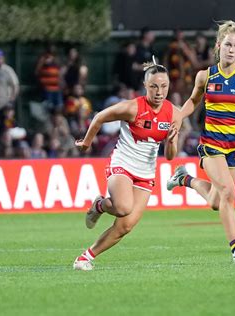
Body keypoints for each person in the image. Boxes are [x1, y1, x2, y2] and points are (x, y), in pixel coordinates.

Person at [166, 20, 235, 263]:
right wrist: (180, 117)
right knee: (228, 191)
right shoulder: (205, 75)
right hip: (211, 144)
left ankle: (184, 179)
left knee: (216, 201)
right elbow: (193, 100)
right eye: (227, 45)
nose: (231, 50)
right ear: (218, 46)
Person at [73, 60, 180, 271]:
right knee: (122, 208)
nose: (159, 92)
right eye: (154, 86)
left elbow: (169, 157)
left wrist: (171, 142)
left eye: (164, 86)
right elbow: (100, 117)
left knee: (125, 226)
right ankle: (101, 205)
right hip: (122, 163)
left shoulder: (174, 114)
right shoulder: (132, 108)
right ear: (145, 86)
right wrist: (86, 142)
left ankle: (85, 258)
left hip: (146, 172)